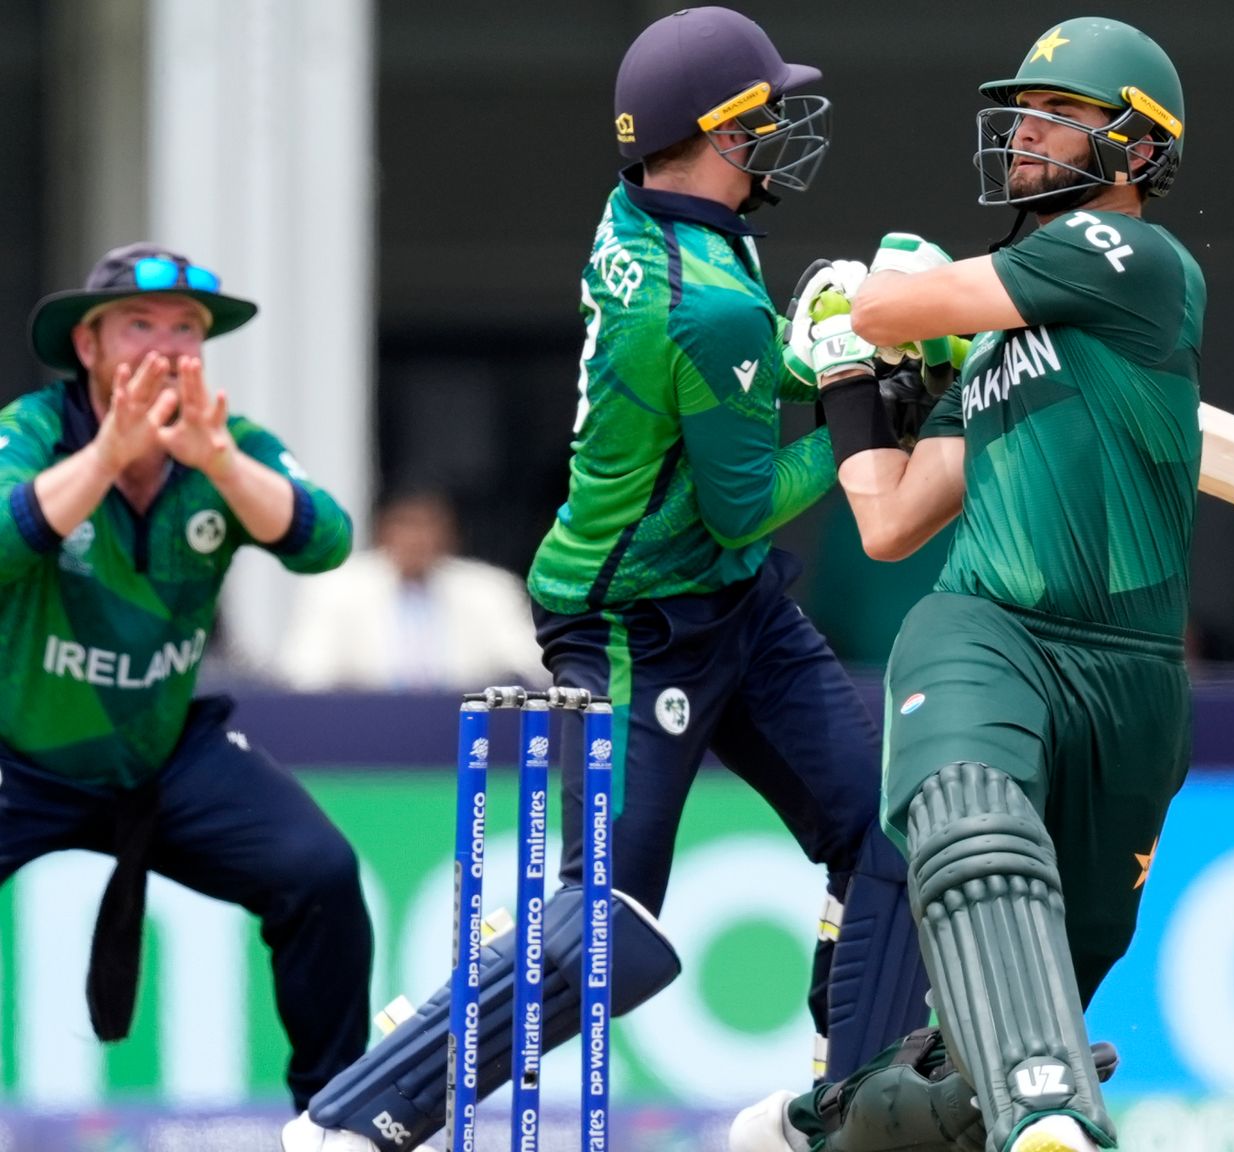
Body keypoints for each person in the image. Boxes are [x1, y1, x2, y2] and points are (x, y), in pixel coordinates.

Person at [285, 9, 928, 1150]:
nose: (782, 130)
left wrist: (812, 350)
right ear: (718, 133)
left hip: (732, 598)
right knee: (611, 932)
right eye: (765, 113)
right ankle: (355, 1114)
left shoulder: (648, 214)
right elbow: (749, 494)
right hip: (634, 620)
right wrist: (863, 409)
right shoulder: (705, 302)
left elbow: (721, 387)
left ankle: (841, 1115)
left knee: (887, 839)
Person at [734, 18, 1200, 1152]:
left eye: (1060, 115)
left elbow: (893, 307)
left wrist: (859, 304)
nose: (1027, 133)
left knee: (982, 1043)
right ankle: (1045, 1105)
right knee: (972, 826)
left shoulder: (1135, 260)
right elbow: (890, 518)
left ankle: (834, 1126)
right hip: (991, 629)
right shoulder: (993, 348)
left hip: (1132, 680)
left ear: (1136, 151)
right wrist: (851, 390)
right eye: (1023, 114)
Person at [0, 244, 365, 1108]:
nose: (167, 348)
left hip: (160, 756)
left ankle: (341, 1118)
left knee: (319, 872)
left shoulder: (227, 443)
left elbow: (327, 543)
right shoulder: (32, 431)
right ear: (87, 346)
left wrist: (219, 465)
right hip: (18, 754)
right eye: (139, 325)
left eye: (187, 331)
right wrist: (103, 460)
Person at [278, 488, 546, 690]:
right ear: (382, 529)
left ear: (450, 533)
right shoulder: (334, 588)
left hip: (461, 726)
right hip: (364, 730)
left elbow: (531, 669)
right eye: (406, 524)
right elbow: (305, 674)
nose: (418, 538)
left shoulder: (489, 590)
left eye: (429, 525)